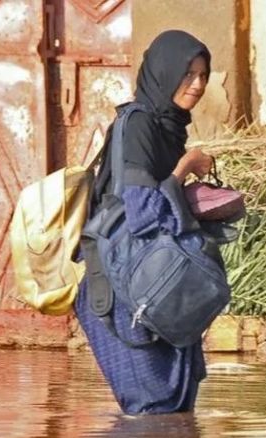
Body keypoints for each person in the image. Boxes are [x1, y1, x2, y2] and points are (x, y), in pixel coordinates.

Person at [74, 30, 217, 415]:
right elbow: (143, 212)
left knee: (176, 415)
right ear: (164, 72)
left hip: (159, 285)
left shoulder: (169, 127)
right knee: (151, 415)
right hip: (123, 292)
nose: (197, 85)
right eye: (188, 74)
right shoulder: (139, 125)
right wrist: (186, 167)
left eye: (203, 75)